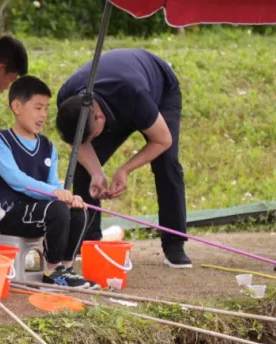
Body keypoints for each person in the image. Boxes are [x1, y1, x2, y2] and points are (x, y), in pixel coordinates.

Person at [56, 49, 191, 268]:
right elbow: (78, 144)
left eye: (91, 136)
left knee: (166, 163)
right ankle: (87, 240)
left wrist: (125, 169)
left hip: (158, 89)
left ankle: (174, 244)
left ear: (100, 118)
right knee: (83, 167)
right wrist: (96, 172)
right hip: (112, 99)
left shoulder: (133, 94)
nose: (87, 141)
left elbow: (162, 140)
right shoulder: (67, 98)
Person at [0, 76, 97, 289]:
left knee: (79, 209)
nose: (43, 115)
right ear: (17, 106)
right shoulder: (0, 140)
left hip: (41, 210)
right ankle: (50, 270)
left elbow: (53, 183)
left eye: (46, 109)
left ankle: (65, 268)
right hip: (10, 213)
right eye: (38, 108)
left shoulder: (48, 147)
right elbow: (17, 181)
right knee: (57, 208)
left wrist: (67, 195)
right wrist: (55, 193)